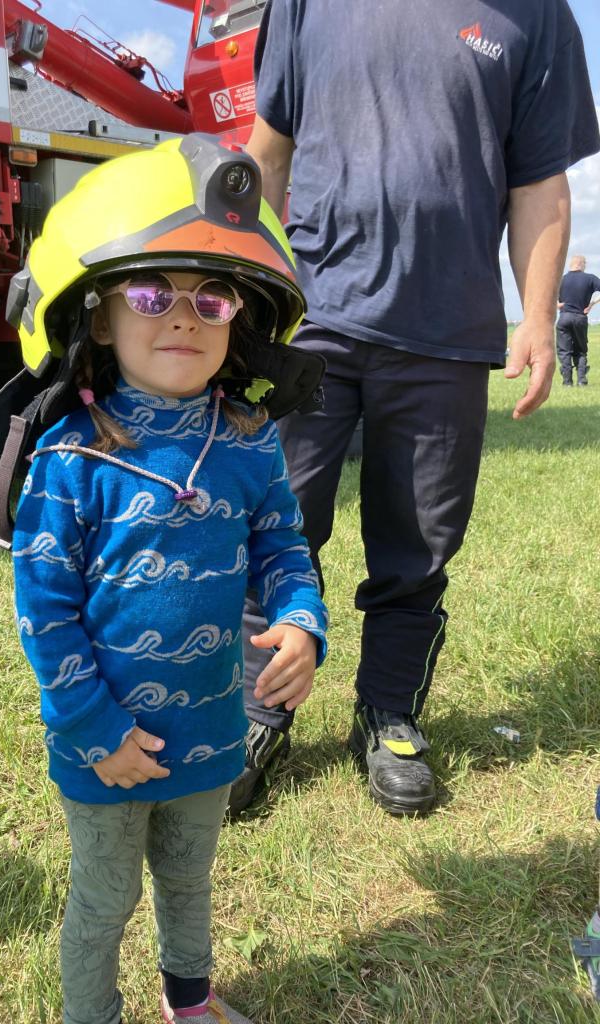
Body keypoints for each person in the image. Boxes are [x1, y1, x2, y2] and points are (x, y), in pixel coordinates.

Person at [227, 0, 600, 818]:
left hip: (448, 333)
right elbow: (269, 151)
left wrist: (538, 319)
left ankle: (388, 713)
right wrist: (241, 291)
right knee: (274, 526)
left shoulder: (535, 13)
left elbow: (540, 183)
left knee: (419, 547)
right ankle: (256, 715)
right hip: (313, 320)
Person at [9, 137, 328, 1024]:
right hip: (104, 743)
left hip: (211, 732)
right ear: (99, 318)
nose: (184, 317)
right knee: (105, 900)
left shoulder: (249, 443)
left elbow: (283, 545)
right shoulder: (69, 459)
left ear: (240, 321)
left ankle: (189, 1002)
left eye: (212, 297)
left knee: (190, 881)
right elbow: (45, 615)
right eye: (152, 293)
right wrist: (95, 729)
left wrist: (303, 619)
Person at [556, 255, 600, 385]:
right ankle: (581, 380)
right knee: (580, 350)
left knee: (564, 351)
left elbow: (548, 293)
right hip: (580, 317)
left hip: (564, 317)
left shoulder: (561, 279)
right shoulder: (590, 278)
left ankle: (567, 382)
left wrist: (556, 304)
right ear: (582, 264)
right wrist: (592, 304)